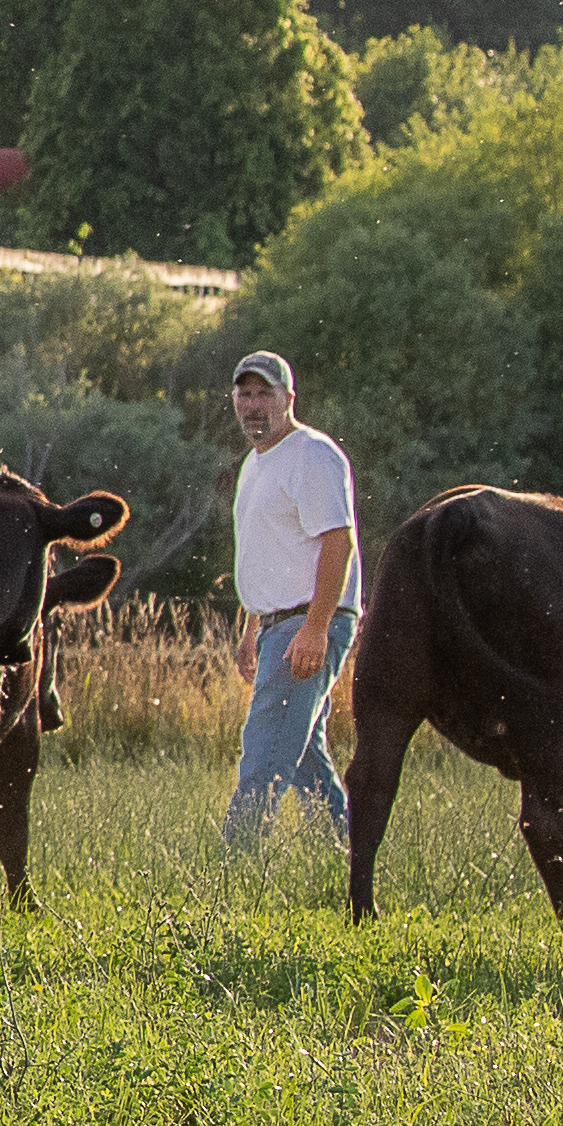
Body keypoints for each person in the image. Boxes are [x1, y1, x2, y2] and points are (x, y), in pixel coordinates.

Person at [223, 346, 359, 853]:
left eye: (265, 393)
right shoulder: (255, 464)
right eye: (245, 393)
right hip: (278, 624)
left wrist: (316, 627)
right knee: (303, 758)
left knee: (263, 756)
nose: (254, 404)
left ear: (289, 398)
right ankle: (346, 860)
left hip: (307, 622)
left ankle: (230, 879)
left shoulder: (312, 455)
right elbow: (271, 554)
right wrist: (252, 628)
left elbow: (337, 541)